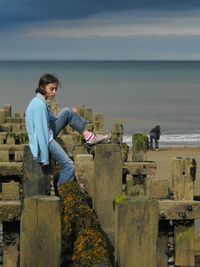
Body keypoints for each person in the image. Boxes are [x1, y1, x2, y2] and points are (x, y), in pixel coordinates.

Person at [25, 73, 111, 187]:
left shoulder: (41, 101)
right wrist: (45, 158)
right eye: (52, 89)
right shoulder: (39, 105)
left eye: (56, 89)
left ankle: (89, 136)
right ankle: (62, 189)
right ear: (42, 87)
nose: (54, 92)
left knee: (67, 112)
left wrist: (73, 118)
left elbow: (50, 121)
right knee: (69, 165)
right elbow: (41, 133)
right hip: (46, 138)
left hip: (48, 131)